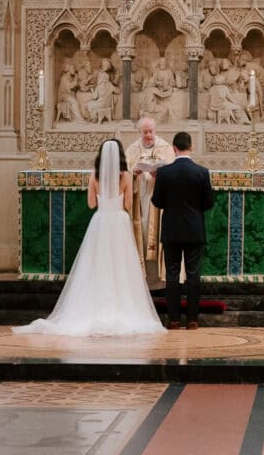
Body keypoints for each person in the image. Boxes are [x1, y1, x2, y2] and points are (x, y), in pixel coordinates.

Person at [13, 140, 165, 337]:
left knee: (97, 265)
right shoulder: (126, 176)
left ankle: (95, 306)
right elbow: (128, 204)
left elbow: (92, 204)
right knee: (121, 265)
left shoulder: (95, 176)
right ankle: (123, 306)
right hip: (119, 222)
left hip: (101, 221)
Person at [152, 131, 214, 330]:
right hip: (194, 229)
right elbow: (208, 202)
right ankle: (193, 320)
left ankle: (174, 320)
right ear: (191, 147)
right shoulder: (202, 172)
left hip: (171, 230)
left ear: (174, 148)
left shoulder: (164, 173)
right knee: (193, 274)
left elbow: (157, 202)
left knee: (172, 273)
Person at [126, 118, 174, 285]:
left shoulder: (166, 148)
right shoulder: (132, 150)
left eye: (150, 131)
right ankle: (140, 281)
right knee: (142, 235)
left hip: (159, 202)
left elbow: (175, 174)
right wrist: (133, 174)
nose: (148, 135)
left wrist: (160, 175)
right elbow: (124, 175)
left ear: (155, 130)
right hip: (139, 200)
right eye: (145, 132)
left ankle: (159, 281)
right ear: (139, 132)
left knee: (156, 235)